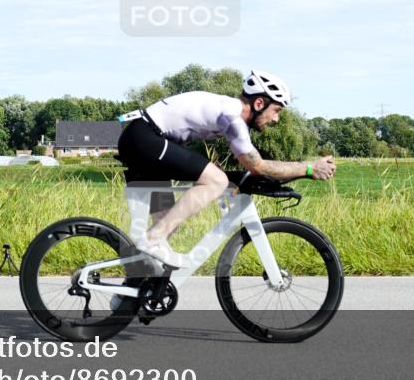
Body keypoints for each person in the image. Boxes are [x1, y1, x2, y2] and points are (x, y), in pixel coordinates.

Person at [116, 70, 336, 270]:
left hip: (143, 140)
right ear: (259, 103)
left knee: (166, 228)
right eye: (276, 110)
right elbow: (256, 165)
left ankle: (136, 289)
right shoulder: (232, 117)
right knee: (216, 182)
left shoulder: (227, 112)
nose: (276, 119)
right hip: (144, 139)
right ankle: (152, 240)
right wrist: (308, 168)